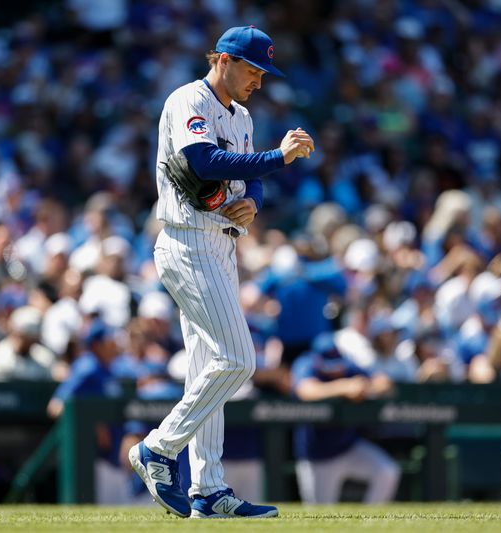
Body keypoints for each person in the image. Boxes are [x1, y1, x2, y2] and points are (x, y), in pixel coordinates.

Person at [128, 25, 314, 519]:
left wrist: (252, 201)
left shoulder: (244, 115)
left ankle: (207, 489)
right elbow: (204, 161)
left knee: (207, 367)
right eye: (253, 69)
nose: (259, 80)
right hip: (187, 241)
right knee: (239, 359)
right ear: (224, 60)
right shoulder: (188, 99)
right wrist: (279, 156)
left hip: (221, 244)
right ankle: (158, 448)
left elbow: (246, 176)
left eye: (264, 72)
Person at [292, 333, 400, 504]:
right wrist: (344, 388)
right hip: (317, 455)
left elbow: (384, 382)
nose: (335, 370)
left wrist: (366, 389)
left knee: (386, 471)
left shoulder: (348, 366)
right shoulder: (306, 363)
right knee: (319, 518)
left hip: (347, 447)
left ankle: (370, 526)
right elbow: (306, 391)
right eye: (330, 366)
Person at [47, 321, 128, 504]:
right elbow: (56, 405)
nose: (114, 343)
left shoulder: (109, 368)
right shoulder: (87, 367)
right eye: (109, 340)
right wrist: (93, 428)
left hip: (113, 455)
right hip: (96, 458)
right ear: (97, 344)